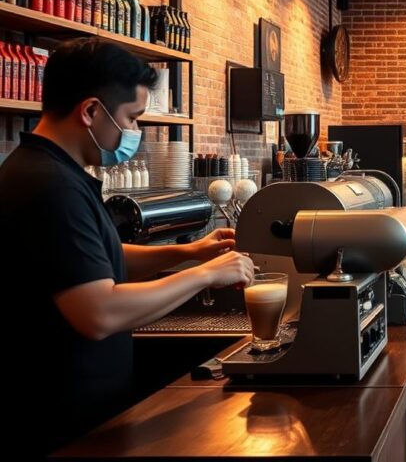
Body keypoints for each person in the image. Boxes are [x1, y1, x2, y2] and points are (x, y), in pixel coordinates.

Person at [0, 39, 255, 456]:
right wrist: (206, 274)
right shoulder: (50, 187)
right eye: (132, 119)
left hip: (87, 413)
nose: (134, 133)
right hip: (60, 424)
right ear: (90, 112)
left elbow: (97, 262)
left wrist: (188, 253)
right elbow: (98, 311)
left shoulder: (53, 172)